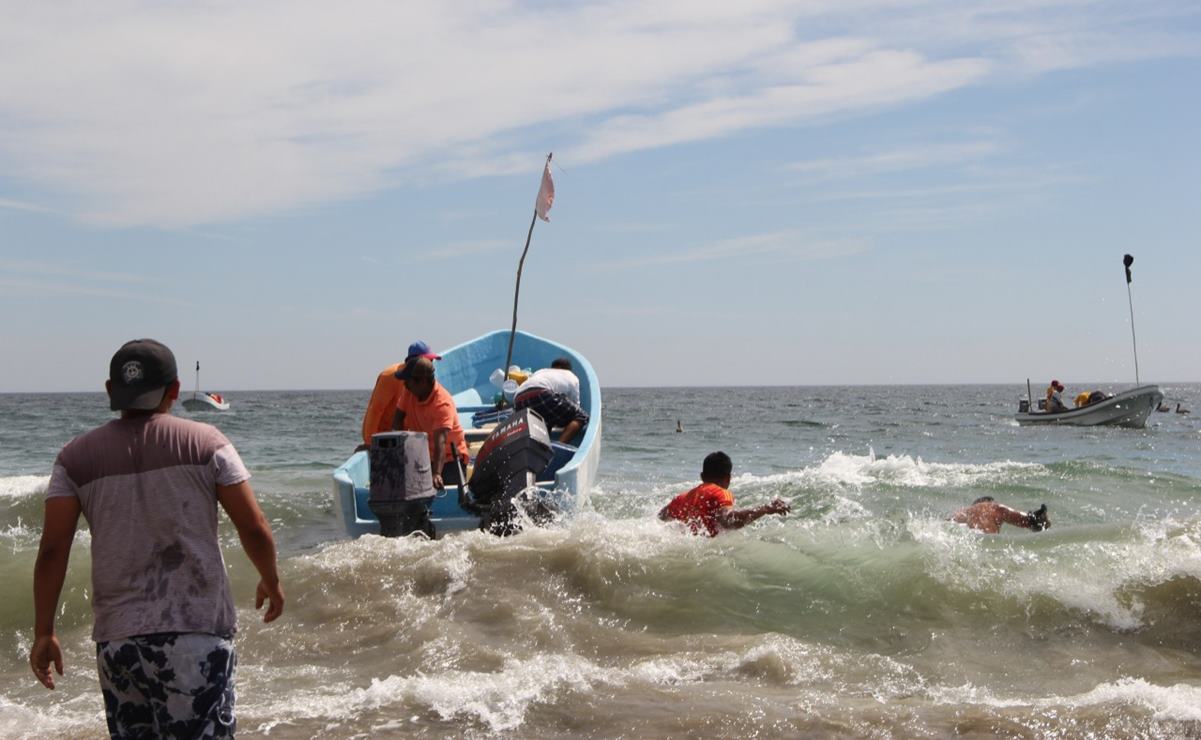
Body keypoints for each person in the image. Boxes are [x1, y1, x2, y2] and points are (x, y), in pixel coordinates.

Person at [31, 339, 284, 738]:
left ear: (111, 391)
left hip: (118, 643)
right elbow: (254, 526)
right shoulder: (208, 443)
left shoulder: (74, 457)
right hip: (194, 635)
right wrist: (270, 579)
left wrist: (44, 631)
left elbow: (51, 551)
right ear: (176, 391)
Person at [658, 451, 790, 537]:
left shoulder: (683, 498)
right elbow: (728, 520)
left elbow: (661, 516)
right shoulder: (721, 493)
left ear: (702, 476)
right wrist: (766, 509)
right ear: (728, 478)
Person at [393, 356, 469, 491]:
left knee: (444, 492)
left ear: (422, 382)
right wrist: (397, 454)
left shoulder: (442, 403)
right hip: (423, 456)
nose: (404, 385)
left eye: (407, 381)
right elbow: (397, 420)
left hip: (449, 459)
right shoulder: (409, 392)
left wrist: (437, 474)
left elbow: (441, 442)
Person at [359, 340, 441, 450]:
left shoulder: (424, 381)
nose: (430, 364)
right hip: (382, 436)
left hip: (403, 435)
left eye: (431, 361)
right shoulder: (390, 376)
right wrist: (369, 442)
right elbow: (376, 410)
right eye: (428, 360)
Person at [512, 357, 590, 443]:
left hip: (518, 399)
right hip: (541, 393)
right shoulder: (571, 376)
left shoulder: (541, 371)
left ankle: (541, 447)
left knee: (545, 420)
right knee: (582, 417)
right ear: (567, 369)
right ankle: (560, 446)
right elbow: (575, 404)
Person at [951, 496, 1050, 534]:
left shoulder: (962, 513)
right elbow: (1031, 521)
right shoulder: (993, 508)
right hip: (986, 549)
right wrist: (1043, 519)